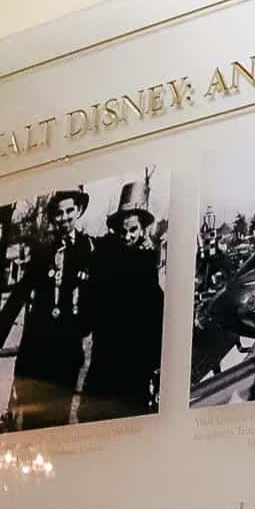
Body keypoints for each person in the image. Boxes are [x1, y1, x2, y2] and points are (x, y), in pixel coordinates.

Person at [0, 187, 96, 430]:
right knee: (31, 418)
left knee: (58, 417)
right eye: (59, 213)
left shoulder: (90, 250)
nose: (65, 218)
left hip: (67, 351)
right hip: (37, 350)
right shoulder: (43, 252)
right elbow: (18, 295)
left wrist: (84, 326)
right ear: (53, 216)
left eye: (70, 211)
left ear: (80, 211)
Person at [80, 179, 165, 422]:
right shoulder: (104, 255)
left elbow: (154, 309)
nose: (127, 236)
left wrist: (154, 359)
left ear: (142, 229)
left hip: (135, 358)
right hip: (107, 352)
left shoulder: (148, 261)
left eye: (133, 230)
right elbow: (92, 296)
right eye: (123, 230)